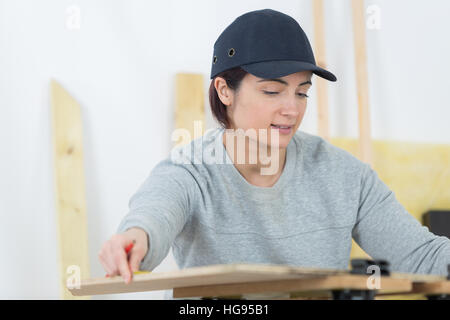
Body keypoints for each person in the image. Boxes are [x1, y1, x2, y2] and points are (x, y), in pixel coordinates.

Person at [98, 9, 450, 298]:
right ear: (224, 90)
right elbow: (151, 218)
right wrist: (134, 240)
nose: (292, 110)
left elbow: (421, 256)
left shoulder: (345, 175)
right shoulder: (190, 171)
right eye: (272, 91)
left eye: (302, 93)